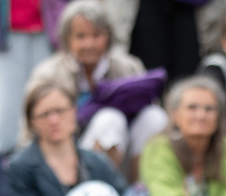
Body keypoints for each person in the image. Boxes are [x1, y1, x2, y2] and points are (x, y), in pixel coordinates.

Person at [27, 1, 166, 171]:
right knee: (110, 119)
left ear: (108, 36)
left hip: (126, 151)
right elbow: (30, 125)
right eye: (80, 36)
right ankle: (102, 183)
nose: (89, 44)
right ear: (67, 39)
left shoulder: (128, 67)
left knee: (155, 116)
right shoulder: (49, 73)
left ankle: (139, 183)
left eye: (96, 35)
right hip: (68, 156)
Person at [9, 82, 126, 196]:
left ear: (74, 111)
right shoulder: (20, 168)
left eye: (60, 111)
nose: (54, 120)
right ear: (32, 122)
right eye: (44, 114)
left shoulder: (96, 161)